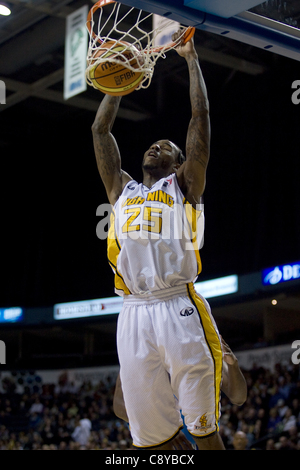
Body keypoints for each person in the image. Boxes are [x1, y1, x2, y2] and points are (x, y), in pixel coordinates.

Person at [92, 31, 223, 450]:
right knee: (151, 440)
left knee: (203, 428)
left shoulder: (184, 185)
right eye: (152, 144)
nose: (155, 146)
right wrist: (120, 84)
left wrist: (190, 60)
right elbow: (100, 130)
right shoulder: (123, 190)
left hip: (177, 305)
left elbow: (199, 121)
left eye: (165, 146)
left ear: (179, 161)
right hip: (131, 312)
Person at [113, 336, 247, 449]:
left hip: (202, 438)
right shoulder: (141, 348)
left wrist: (233, 365)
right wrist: (166, 429)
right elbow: (119, 405)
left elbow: (238, 397)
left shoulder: (197, 344)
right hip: (161, 439)